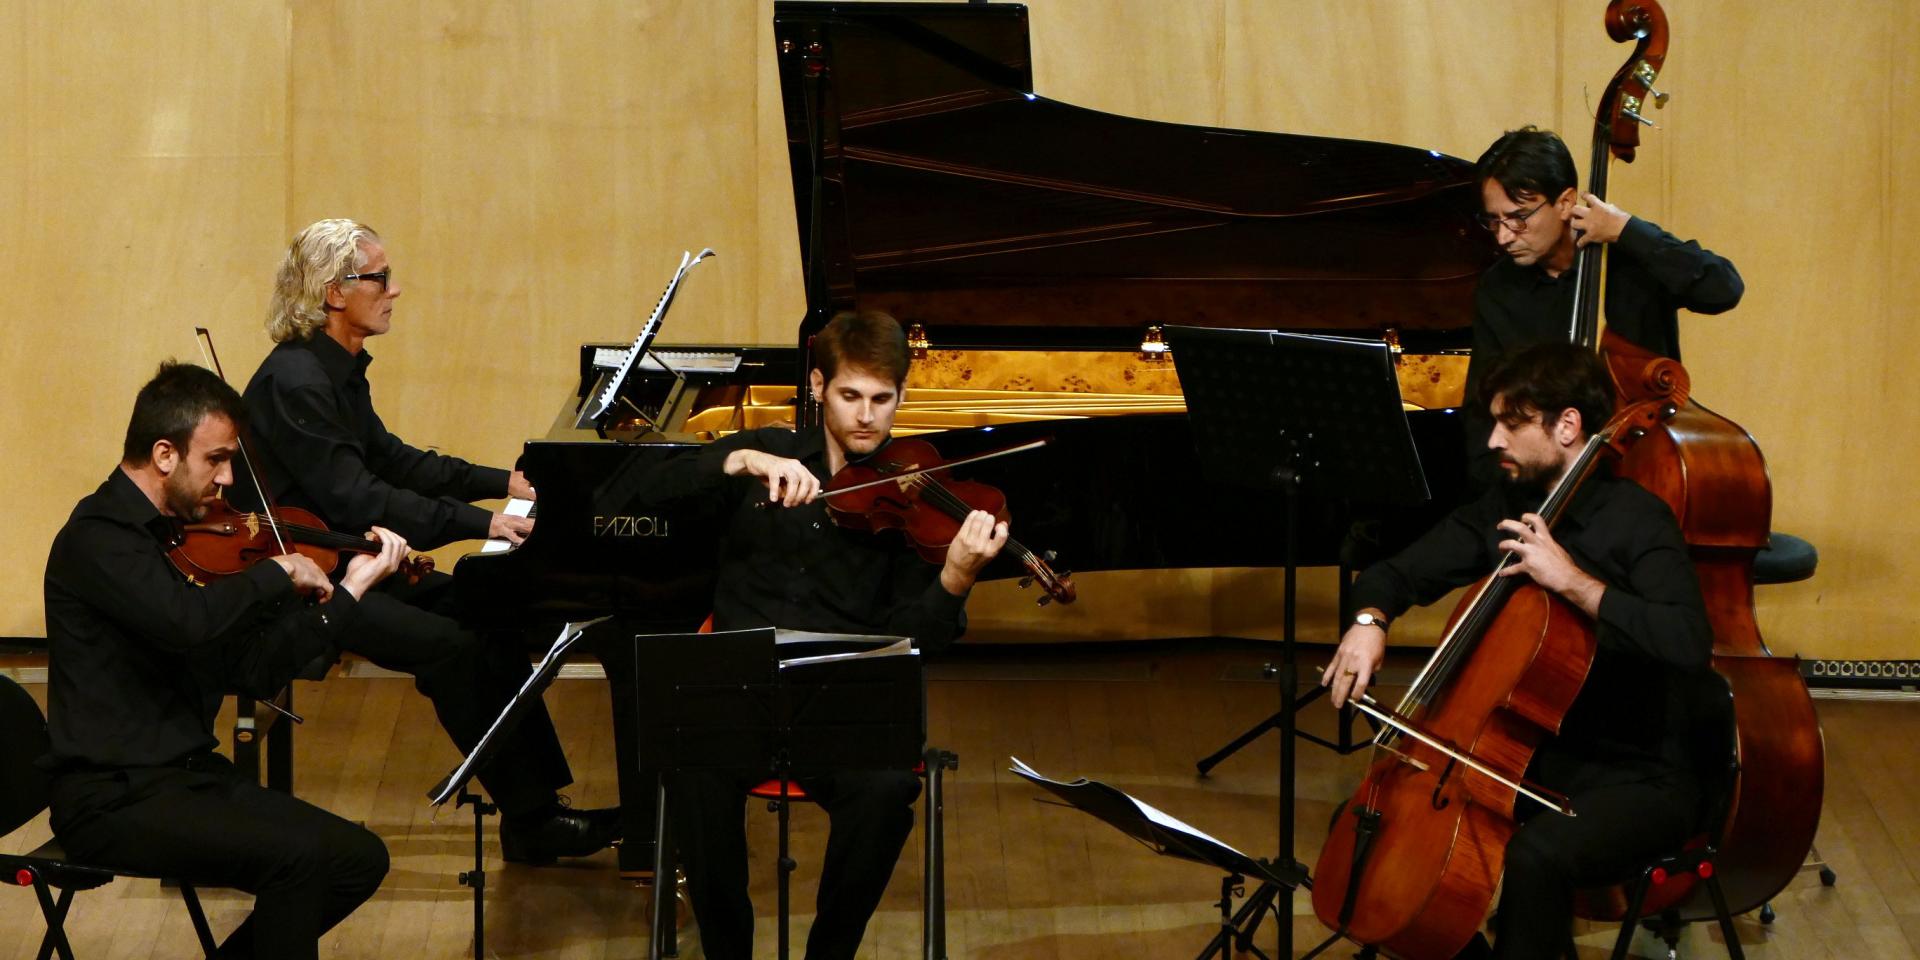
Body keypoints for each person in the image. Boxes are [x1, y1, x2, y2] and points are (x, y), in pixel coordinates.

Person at [238, 218, 616, 863]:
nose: (395, 289)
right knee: (451, 648)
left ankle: (534, 815)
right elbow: (359, 497)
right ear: (334, 292)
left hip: (352, 559)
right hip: (307, 579)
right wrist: (485, 522)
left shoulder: (336, 370)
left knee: (487, 613)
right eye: (379, 277)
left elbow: (393, 459)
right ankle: (531, 817)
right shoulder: (297, 380)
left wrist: (505, 483)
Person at [1320, 342, 1715, 958]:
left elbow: (1689, 643)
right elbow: (1392, 575)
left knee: (1538, 857)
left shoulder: (1639, 522)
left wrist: (1576, 585)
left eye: (1512, 422)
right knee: (1376, 827)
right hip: (1530, 761)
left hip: (1637, 775)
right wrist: (1369, 621)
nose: (1493, 442)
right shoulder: (1505, 512)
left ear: (1567, 426)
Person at [642, 310, 1009, 960]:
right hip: (738, 698)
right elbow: (634, 494)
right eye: (850, 396)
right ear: (817, 386)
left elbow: (917, 644)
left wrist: (953, 579)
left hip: (842, 712)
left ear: (899, 397)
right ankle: (727, 953)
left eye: (881, 399)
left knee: (888, 789)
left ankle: (829, 954)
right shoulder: (764, 458)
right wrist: (736, 458)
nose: (866, 416)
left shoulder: (909, 498)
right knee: (690, 765)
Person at [42, 362, 393, 959]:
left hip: (185, 776)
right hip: (114, 796)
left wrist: (350, 594)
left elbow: (248, 669)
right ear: (163, 454)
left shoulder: (176, 540)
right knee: (300, 861)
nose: (229, 478)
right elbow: (187, 624)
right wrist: (277, 571)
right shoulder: (99, 538)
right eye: (217, 459)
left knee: (357, 859)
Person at [1461, 125, 1743, 487]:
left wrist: (1629, 231)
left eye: (1518, 217)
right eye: (1493, 221)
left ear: (1564, 202)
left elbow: (1724, 288)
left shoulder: (1631, 264)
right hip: (1539, 486)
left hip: (1643, 473)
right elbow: (1481, 411)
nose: (1503, 236)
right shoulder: (1498, 289)